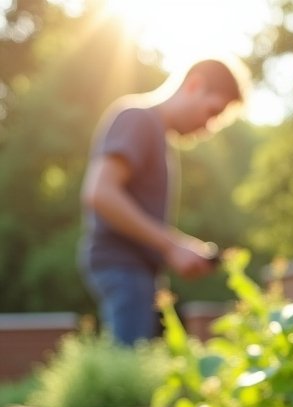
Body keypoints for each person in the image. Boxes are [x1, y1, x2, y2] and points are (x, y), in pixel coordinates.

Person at [79, 59, 246, 345]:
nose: (209, 127)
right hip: (123, 268)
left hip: (136, 272)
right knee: (129, 380)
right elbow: (100, 192)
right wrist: (171, 245)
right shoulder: (138, 119)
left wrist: (177, 251)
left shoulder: (156, 134)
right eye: (213, 111)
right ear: (194, 85)